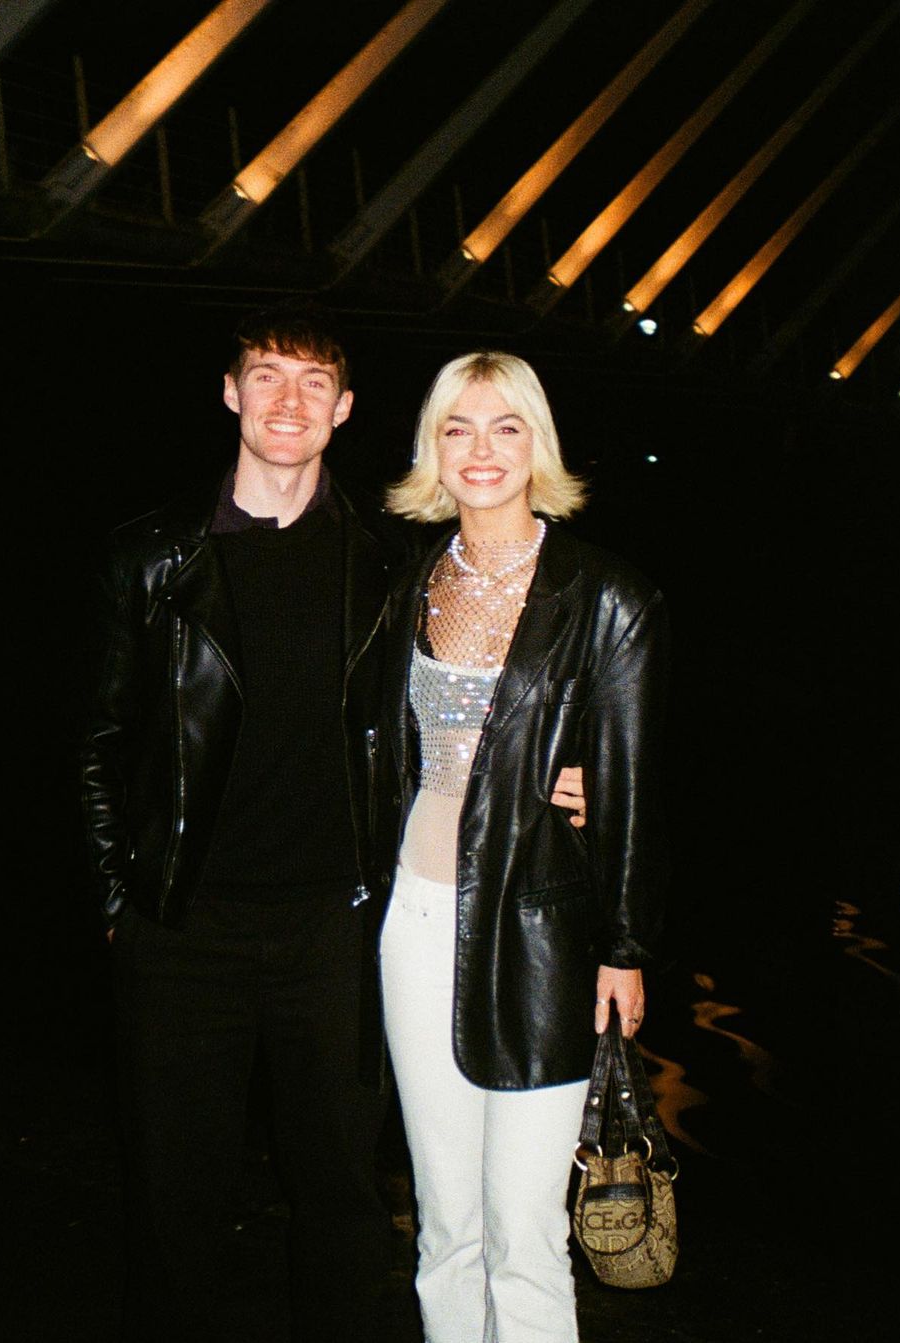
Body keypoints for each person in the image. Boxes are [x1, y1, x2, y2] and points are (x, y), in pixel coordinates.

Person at [80, 309, 589, 1341]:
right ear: (231, 392)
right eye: (267, 375)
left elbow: (467, 691)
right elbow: (98, 739)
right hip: (182, 926)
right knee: (175, 1202)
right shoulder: (151, 557)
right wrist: (117, 903)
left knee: (342, 1199)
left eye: (313, 383)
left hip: (339, 927)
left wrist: (561, 769)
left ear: (345, 410)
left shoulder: (387, 561)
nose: (288, 400)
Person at [379, 351, 668, 1343]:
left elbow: (634, 787)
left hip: (546, 930)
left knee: (525, 1234)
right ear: (433, 448)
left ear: (537, 442)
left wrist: (623, 947)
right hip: (414, 918)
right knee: (445, 1226)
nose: (482, 448)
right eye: (457, 427)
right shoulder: (409, 583)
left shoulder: (608, 596)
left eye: (506, 426)